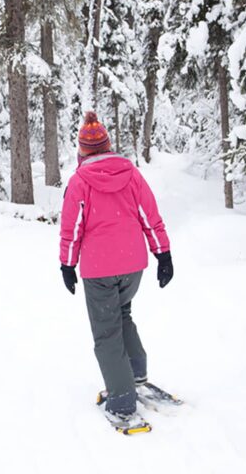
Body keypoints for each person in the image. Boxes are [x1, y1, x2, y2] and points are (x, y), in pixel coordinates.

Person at [59, 111, 173, 417]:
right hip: (133, 264)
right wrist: (163, 254)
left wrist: (67, 266)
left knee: (106, 331)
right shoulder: (131, 174)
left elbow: (72, 229)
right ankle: (135, 374)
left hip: (99, 269)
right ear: (108, 145)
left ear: (82, 150)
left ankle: (122, 400)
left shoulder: (79, 182)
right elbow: (150, 216)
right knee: (122, 314)